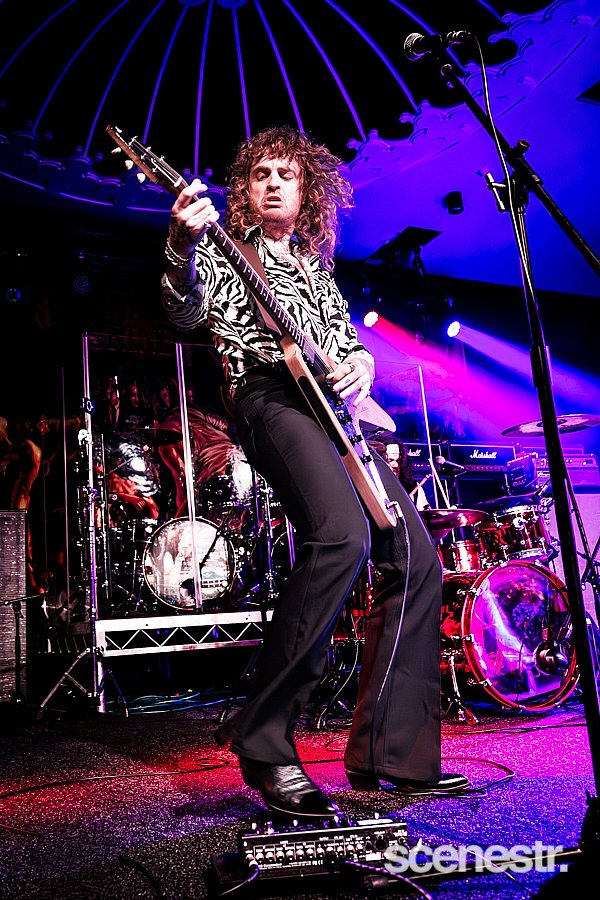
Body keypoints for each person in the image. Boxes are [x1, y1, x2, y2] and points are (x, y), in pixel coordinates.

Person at [161, 125, 469, 820]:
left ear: (307, 192)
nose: (273, 182)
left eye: (287, 174)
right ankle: (263, 736)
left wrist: (361, 364)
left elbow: (344, 345)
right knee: (340, 536)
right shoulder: (220, 246)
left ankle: (392, 755)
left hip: (332, 410)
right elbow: (183, 309)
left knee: (416, 556)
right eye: (261, 174)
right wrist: (180, 242)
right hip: (268, 396)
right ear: (244, 190)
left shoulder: (314, 266)